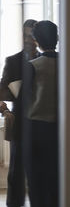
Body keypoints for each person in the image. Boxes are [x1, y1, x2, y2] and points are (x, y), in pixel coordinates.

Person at [0, 19, 38, 207]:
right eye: (25, 35)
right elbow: (1, 91)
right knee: (16, 172)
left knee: (38, 173)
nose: (29, 40)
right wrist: (5, 110)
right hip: (19, 124)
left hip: (40, 123)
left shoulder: (45, 60)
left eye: (32, 36)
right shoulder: (12, 61)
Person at [24, 20, 59, 207]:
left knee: (37, 181)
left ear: (36, 41)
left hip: (37, 129)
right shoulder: (69, 65)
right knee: (58, 178)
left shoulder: (32, 66)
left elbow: (24, 101)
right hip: (62, 128)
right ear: (58, 38)